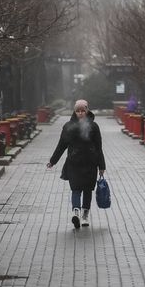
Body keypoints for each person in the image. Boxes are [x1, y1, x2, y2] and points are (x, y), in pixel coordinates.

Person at [46, 99, 107, 230]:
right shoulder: (68, 126)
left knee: (87, 190)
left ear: (87, 111)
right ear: (75, 112)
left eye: (82, 111)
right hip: (74, 163)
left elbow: (99, 147)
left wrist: (102, 166)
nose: (80, 113)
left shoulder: (94, 127)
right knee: (76, 189)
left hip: (91, 163)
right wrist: (53, 160)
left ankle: (85, 216)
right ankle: (76, 213)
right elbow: (61, 145)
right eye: (78, 111)